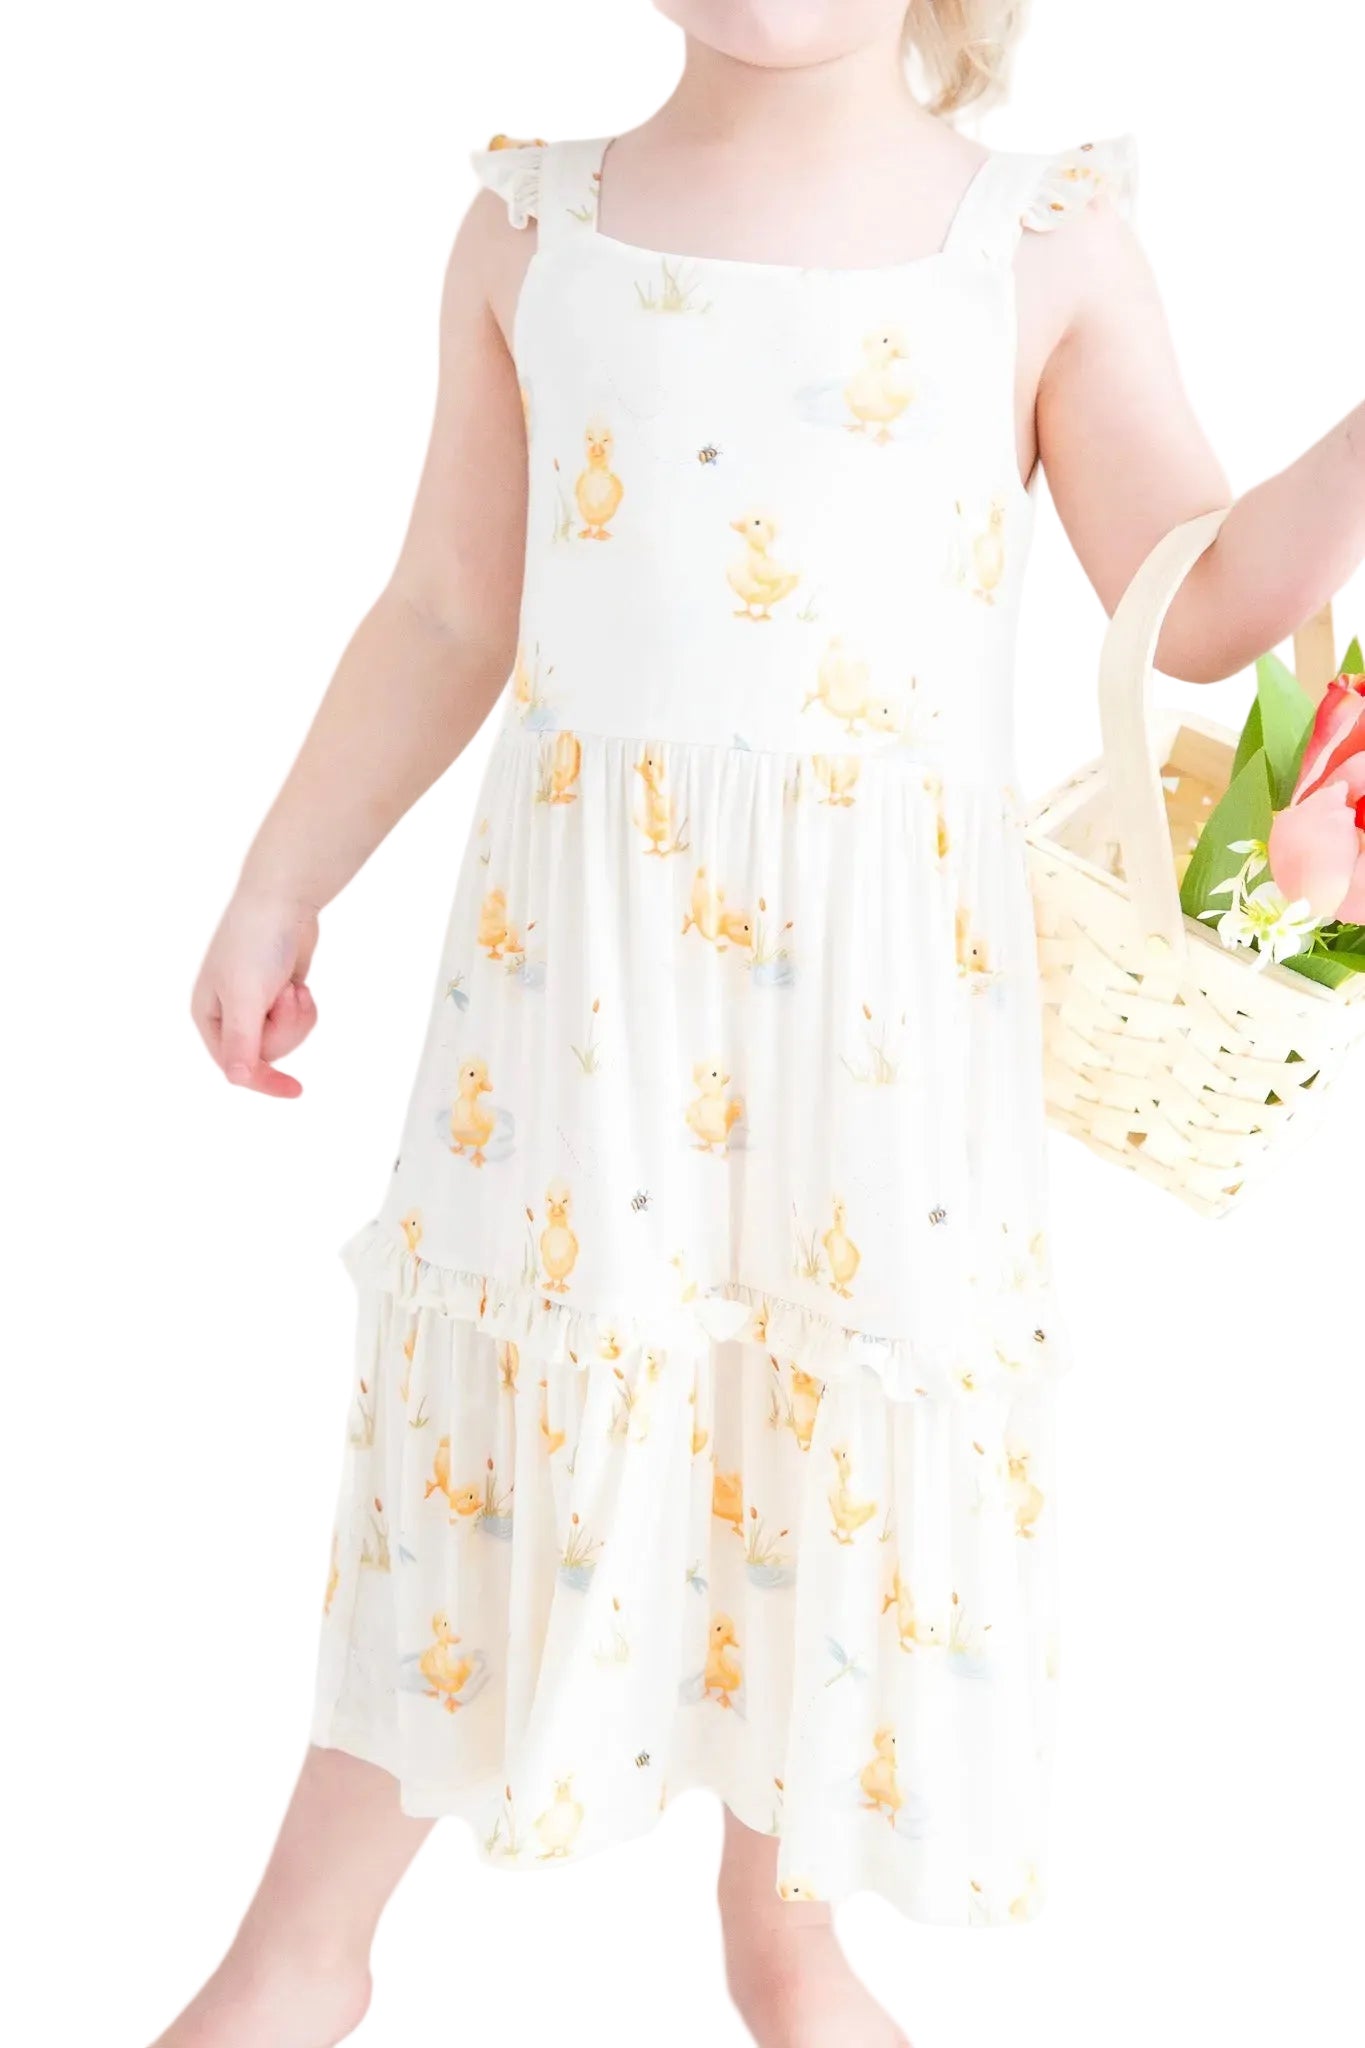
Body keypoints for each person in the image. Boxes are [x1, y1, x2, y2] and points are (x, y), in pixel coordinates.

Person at [169, 5, 1365, 2044]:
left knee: (821, 1475)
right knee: (510, 1434)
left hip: (878, 1027)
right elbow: (452, 608)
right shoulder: (529, 228)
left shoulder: (1036, 238)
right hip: (582, 1000)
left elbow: (1187, 605)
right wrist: (283, 872)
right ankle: (307, 1938)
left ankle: (786, 1933)